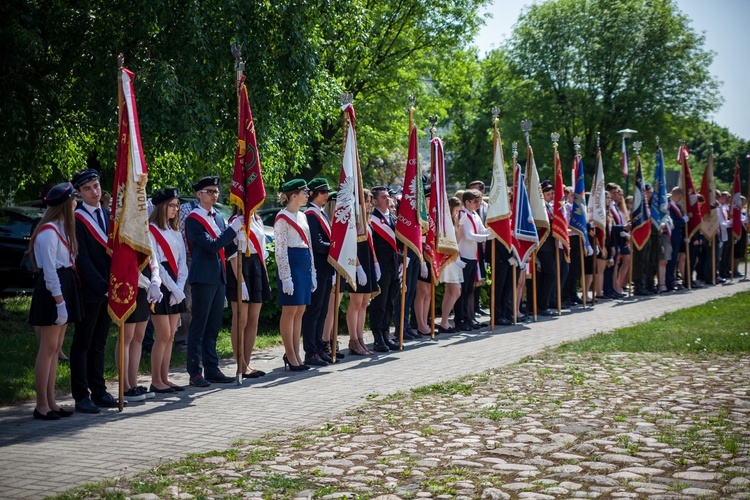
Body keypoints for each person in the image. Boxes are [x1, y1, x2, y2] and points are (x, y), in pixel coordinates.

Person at [28, 182, 83, 420]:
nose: (75, 203)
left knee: (55, 348)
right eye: (73, 199)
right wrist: (60, 302)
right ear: (64, 204)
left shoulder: (61, 227)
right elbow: (49, 271)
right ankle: (41, 404)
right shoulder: (49, 231)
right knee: (48, 349)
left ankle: (51, 401)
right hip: (53, 291)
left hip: (64, 286)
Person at [184, 176, 243, 387]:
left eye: (216, 191)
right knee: (199, 326)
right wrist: (232, 230)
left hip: (219, 276)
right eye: (209, 191)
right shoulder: (193, 219)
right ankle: (194, 372)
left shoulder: (217, 217)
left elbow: (222, 248)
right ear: (199, 194)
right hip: (203, 277)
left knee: (213, 326)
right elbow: (210, 247)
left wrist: (237, 241)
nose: (214, 194)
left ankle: (211, 367)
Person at [70, 169, 120, 413]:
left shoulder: (109, 216)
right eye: (87, 188)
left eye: (96, 186)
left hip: (109, 290)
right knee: (83, 343)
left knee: (99, 342)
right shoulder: (77, 219)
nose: (94, 191)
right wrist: (103, 286)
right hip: (90, 290)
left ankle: (99, 391)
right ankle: (81, 395)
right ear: (78, 193)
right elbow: (83, 259)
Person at [148, 188, 188, 393]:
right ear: (162, 207)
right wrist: (173, 288)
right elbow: (155, 263)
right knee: (162, 334)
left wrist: (180, 288)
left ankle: (165, 377)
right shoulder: (151, 230)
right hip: (161, 285)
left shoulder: (175, 230)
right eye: (171, 205)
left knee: (171, 334)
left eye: (177, 205)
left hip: (176, 285)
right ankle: (155, 380)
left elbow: (182, 262)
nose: (175, 209)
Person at [274, 179, 316, 371]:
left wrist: (313, 271)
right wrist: (286, 277)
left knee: (300, 310)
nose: (307, 195)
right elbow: (280, 249)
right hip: (291, 263)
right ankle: (289, 354)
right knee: (290, 310)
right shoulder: (282, 217)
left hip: (304, 261)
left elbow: (309, 245)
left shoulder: (303, 216)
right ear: (293, 195)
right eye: (304, 192)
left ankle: (297, 354)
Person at [226, 209, 271, 379]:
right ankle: (240, 365)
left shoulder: (257, 220)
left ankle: (248, 363)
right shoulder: (235, 221)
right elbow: (231, 254)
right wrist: (241, 282)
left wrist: (264, 275)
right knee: (241, 320)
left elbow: (262, 251)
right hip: (240, 267)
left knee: (253, 320)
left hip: (256, 266)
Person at [301, 178, 334, 366]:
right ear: (313, 193)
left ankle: (319, 346)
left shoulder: (321, 213)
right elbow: (317, 244)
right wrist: (335, 247)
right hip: (317, 268)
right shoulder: (311, 214)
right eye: (323, 192)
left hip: (326, 267)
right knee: (314, 311)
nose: (326, 195)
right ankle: (310, 350)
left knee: (322, 311)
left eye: (327, 192)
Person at [345, 189, 379, 355]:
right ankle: (353, 339)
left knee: (364, 302)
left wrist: (375, 264)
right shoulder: (353, 220)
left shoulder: (367, 220)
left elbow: (370, 245)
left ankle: (360, 338)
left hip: (368, 262)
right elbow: (350, 245)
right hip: (357, 263)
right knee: (356, 302)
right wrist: (358, 267)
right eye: (366, 201)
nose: (369, 204)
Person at [369, 186, 402, 351]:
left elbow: (398, 244)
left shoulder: (393, 218)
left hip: (394, 266)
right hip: (380, 267)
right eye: (383, 197)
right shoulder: (372, 220)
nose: (388, 199)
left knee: (390, 302)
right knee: (379, 303)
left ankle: (385, 333)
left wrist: (403, 259)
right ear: (374, 201)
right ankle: (377, 337)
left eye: (388, 196)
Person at [455, 189, 490, 330]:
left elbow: (482, 231)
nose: (479, 204)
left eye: (480, 201)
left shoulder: (474, 214)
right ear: (467, 201)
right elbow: (469, 235)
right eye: (476, 201)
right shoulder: (462, 214)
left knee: (469, 289)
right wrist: (487, 237)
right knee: (462, 290)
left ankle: (468, 318)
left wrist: (492, 232)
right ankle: (460, 319)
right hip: (463, 256)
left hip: (472, 256)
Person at [438, 197, 464, 333]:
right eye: (456, 210)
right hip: (449, 259)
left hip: (455, 258)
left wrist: (459, 226)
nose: (457, 213)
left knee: (450, 291)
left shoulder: (455, 221)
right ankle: (443, 321)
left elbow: (457, 240)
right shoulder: (445, 221)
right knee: (455, 291)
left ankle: (445, 320)